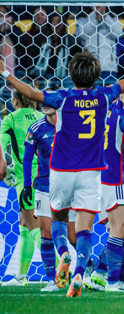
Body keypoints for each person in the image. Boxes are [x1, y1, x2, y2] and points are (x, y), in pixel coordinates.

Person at [2, 44, 124, 297]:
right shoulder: (104, 96)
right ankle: (79, 272)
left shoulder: (61, 98)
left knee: (59, 220)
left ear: (71, 75)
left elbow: (30, 92)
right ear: (96, 75)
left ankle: (64, 254)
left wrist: (6, 74)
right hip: (91, 173)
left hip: (61, 171)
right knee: (85, 227)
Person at [21, 98, 76, 292]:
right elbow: (28, 159)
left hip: (69, 186)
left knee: (73, 235)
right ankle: (52, 280)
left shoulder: (71, 126)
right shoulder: (36, 128)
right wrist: (27, 186)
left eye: (50, 101)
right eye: (42, 101)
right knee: (46, 232)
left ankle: (85, 270)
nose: (45, 104)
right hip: (44, 186)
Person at [0, 90, 43, 287]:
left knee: (34, 226)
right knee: (25, 226)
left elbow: (1, 146)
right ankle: (20, 277)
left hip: (26, 179)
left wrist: (6, 172)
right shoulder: (42, 117)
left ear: (15, 100)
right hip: (46, 177)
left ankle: (61, 270)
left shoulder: (10, 119)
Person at [75, 6, 124, 81]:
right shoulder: (83, 19)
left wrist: (105, 17)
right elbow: (81, 35)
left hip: (109, 67)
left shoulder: (113, 18)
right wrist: (95, 19)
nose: (98, 6)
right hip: (89, 67)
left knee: (108, 92)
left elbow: (118, 34)